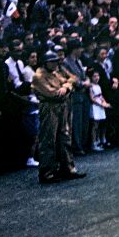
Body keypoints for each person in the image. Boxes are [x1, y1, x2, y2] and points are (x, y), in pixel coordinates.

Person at [32, 50, 84, 185]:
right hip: (49, 108)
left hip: (62, 106)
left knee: (64, 137)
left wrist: (66, 87)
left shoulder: (57, 71)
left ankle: (67, 168)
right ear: (45, 62)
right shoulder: (39, 76)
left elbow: (73, 79)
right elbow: (52, 94)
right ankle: (47, 172)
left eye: (56, 61)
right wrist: (66, 88)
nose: (55, 64)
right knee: (49, 138)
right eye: (52, 61)